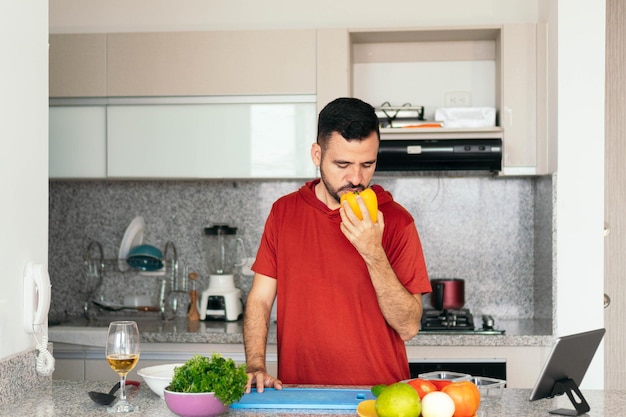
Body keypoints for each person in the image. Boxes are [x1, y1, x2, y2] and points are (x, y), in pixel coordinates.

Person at [243, 97, 431, 391]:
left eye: (367, 164)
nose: (356, 178)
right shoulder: (284, 213)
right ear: (317, 154)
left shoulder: (397, 220)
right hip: (299, 397)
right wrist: (255, 364)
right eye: (342, 164)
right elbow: (260, 299)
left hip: (381, 400)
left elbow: (408, 327)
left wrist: (373, 252)